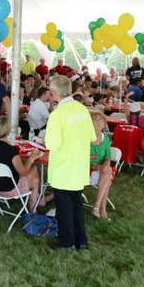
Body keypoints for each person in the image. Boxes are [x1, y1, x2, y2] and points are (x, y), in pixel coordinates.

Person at [44, 75, 96, 251]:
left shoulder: (57, 114)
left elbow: (52, 144)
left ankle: (67, 242)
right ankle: (81, 240)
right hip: (79, 165)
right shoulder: (82, 109)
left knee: (64, 207)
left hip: (63, 168)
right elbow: (91, 137)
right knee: (76, 204)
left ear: (52, 93)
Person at [0, 116, 42, 212]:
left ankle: (39, 202)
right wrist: (31, 158)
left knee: (35, 179)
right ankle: (33, 209)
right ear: (8, 131)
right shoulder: (11, 150)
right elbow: (23, 172)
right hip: (9, 189)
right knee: (35, 169)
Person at [88, 112, 114, 221]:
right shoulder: (85, 138)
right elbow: (81, 158)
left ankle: (97, 207)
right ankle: (101, 208)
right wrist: (98, 167)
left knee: (107, 173)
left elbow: (108, 157)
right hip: (85, 168)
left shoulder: (106, 138)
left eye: (101, 120)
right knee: (108, 174)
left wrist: (106, 164)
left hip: (101, 169)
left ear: (104, 124)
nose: (98, 122)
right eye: (95, 119)